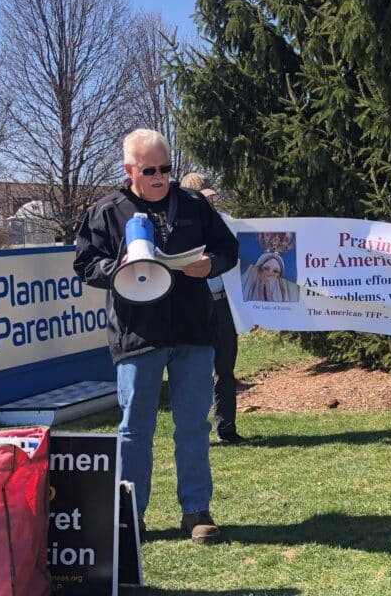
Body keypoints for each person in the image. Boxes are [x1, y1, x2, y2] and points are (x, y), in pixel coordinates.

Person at [74, 129, 239, 544]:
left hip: (193, 330)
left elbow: (228, 249)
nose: (161, 177)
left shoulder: (193, 205)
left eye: (167, 169)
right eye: (150, 170)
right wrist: (119, 268)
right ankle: (130, 514)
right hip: (137, 333)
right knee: (134, 428)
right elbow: (85, 263)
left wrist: (211, 265)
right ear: (129, 170)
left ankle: (196, 511)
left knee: (193, 426)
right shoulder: (107, 211)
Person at [179, 173, 246, 445]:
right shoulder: (181, 230)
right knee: (192, 372)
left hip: (223, 306)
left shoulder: (226, 225)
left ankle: (227, 430)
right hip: (193, 308)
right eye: (204, 198)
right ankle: (192, 432)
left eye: (211, 197)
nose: (211, 202)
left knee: (225, 370)